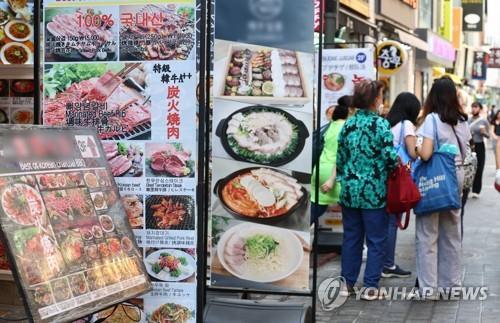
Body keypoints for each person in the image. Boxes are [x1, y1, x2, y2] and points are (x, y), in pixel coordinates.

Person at [337, 81, 398, 300]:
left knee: (351, 238)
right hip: (373, 193)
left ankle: (346, 284)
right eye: (381, 96)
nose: (381, 100)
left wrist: (347, 178)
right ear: (375, 100)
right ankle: (370, 286)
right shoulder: (381, 125)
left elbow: (341, 159)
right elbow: (390, 158)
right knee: (375, 240)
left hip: (350, 191)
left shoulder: (348, 125)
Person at [415, 76, 471, 299]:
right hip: (455, 176)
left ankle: (428, 289)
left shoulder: (431, 120)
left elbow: (426, 154)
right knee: (452, 233)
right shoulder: (462, 120)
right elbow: (464, 152)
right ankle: (452, 286)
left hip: (435, 178)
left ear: (433, 96)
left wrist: (416, 148)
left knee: (428, 234)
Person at [382, 92, 421, 278]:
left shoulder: (389, 123)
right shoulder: (407, 125)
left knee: (385, 221)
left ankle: (383, 261)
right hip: (398, 177)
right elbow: (413, 153)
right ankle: (388, 264)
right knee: (392, 222)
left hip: (386, 175)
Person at [310, 96, 351, 223]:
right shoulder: (349, 128)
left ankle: (300, 235)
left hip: (320, 170)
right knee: (350, 217)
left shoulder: (330, 126)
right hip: (336, 174)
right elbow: (343, 155)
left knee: (315, 209)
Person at [469, 102, 490, 198]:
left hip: (480, 145)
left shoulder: (484, 121)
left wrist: (484, 132)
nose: (474, 109)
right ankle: (466, 188)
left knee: (479, 167)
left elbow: (488, 135)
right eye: (472, 107)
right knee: (468, 167)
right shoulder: (467, 120)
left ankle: (476, 190)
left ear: (480, 109)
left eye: (476, 107)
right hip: (469, 146)